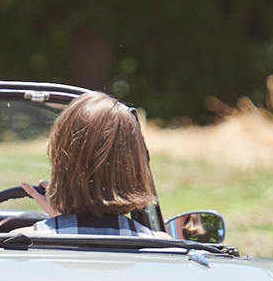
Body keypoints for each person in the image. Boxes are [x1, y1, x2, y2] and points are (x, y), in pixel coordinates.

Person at [20, 91, 166, 236]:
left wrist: (61, 220)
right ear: (135, 165)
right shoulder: (162, 246)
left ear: (61, 162)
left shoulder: (20, 242)